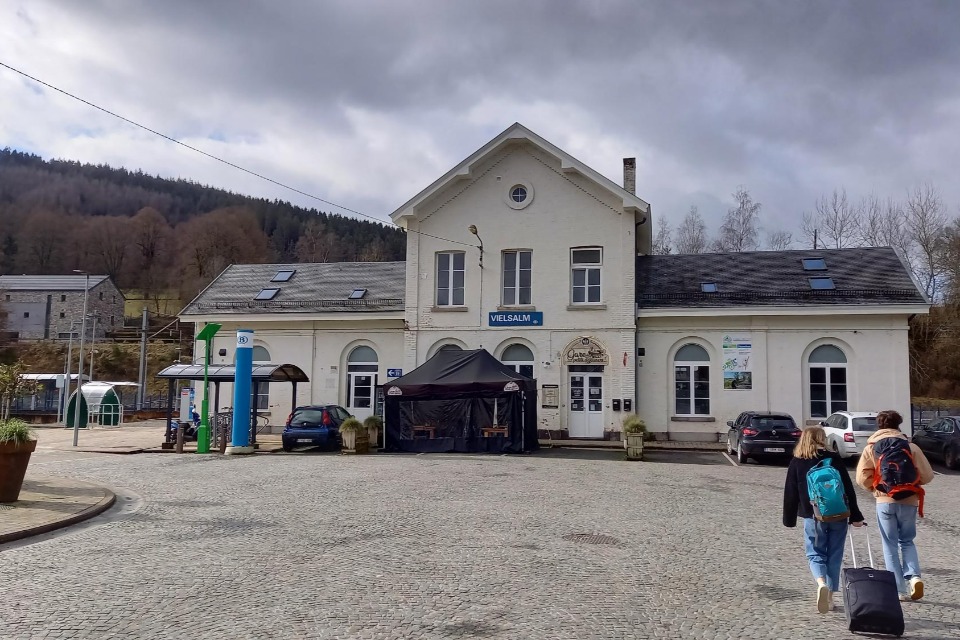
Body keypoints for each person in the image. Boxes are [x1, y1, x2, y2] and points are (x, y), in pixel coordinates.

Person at [783, 426, 864, 613]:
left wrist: (789, 519)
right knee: (835, 554)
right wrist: (856, 516)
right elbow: (848, 490)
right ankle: (830, 597)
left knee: (815, 552)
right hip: (839, 514)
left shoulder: (798, 461)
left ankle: (821, 583)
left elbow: (790, 492)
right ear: (822, 438)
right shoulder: (834, 459)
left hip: (814, 516)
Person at [856, 409, 934, 601]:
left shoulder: (871, 447)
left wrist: (876, 488)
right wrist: (912, 484)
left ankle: (899, 590)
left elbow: (861, 478)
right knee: (907, 541)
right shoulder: (910, 446)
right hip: (909, 499)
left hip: (884, 500)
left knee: (889, 545)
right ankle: (914, 577)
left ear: (879, 425)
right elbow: (928, 475)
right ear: (899, 424)